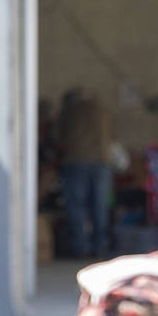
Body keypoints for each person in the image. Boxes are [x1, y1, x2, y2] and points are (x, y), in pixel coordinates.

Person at [58, 87, 113, 257]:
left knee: (76, 206)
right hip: (101, 161)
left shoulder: (68, 112)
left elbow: (60, 136)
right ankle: (100, 247)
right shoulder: (103, 111)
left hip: (76, 161)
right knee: (100, 206)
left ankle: (81, 247)